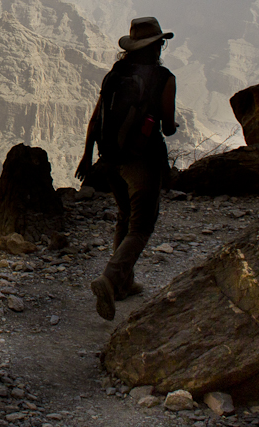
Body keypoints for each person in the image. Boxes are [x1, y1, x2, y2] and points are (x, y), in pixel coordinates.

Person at [74, 17, 178, 321]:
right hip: (143, 161)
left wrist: (87, 157)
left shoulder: (116, 73)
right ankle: (110, 279)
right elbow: (168, 126)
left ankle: (125, 284)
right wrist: (167, 125)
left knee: (124, 216)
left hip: (109, 159)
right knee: (142, 226)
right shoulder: (163, 78)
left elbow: (96, 118)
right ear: (157, 45)